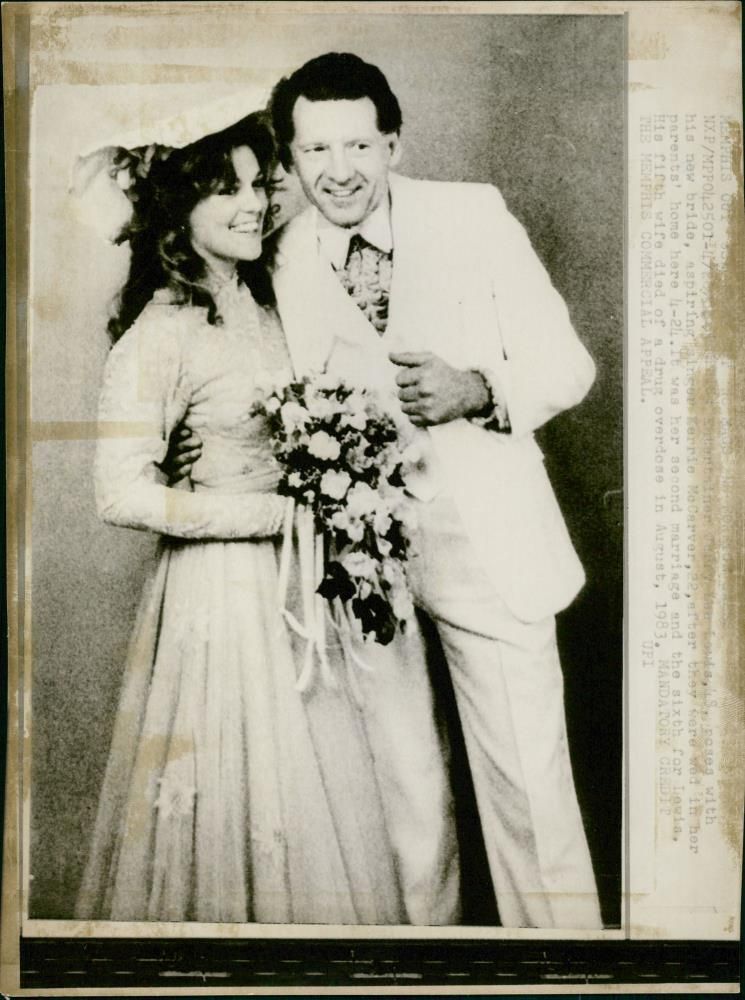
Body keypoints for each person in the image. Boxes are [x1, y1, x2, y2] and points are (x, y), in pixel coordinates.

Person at [74, 110, 458, 925]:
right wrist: (270, 513)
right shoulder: (158, 334)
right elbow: (119, 492)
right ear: (177, 211)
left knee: (330, 786)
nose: (255, 206)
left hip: (299, 587)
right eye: (228, 192)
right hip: (221, 597)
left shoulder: (262, 301)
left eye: (258, 185)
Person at [263, 52, 603, 929]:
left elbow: (569, 366)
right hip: (364, 567)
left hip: (487, 544)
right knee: (403, 797)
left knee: (530, 791)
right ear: (292, 159)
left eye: (356, 146)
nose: (336, 171)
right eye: (313, 152)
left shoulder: (472, 215)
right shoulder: (282, 253)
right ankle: (426, 969)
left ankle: (566, 973)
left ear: (392, 145)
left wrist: (477, 390)